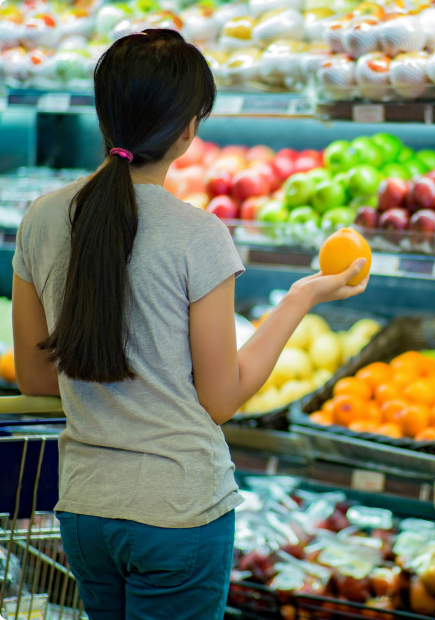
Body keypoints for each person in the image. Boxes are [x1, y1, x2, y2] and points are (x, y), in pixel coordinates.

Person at [11, 29, 368, 620]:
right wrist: (300, 297)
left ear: (105, 116)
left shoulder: (41, 218)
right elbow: (220, 399)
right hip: (178, 512)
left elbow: (34, 378)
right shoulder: (197, 234)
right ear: (187, 131)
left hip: (83, 510)